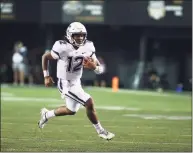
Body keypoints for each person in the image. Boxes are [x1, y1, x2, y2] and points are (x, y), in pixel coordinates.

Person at [38, 22, 115, 140]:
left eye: (82, 35)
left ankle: (46, 114)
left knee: (71, 110)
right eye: (76, 35)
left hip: (76, 82)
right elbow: (45, 57)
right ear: (70, 35)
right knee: (89, 102)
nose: (80, 38)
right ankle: (101, 131)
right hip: (65, 83)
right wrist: (46, 76)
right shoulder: (61, 46)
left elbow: (101, 69)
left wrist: (94, 67)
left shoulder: (89, 46)